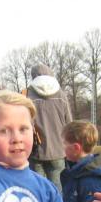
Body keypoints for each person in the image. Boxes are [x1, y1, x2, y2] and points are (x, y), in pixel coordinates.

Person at [26, 64, 72, 193]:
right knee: (58, 189)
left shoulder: (27, 95)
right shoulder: (61, 94)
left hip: (36, 150)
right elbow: (69, 123)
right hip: (59, 149)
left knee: (37, 190)